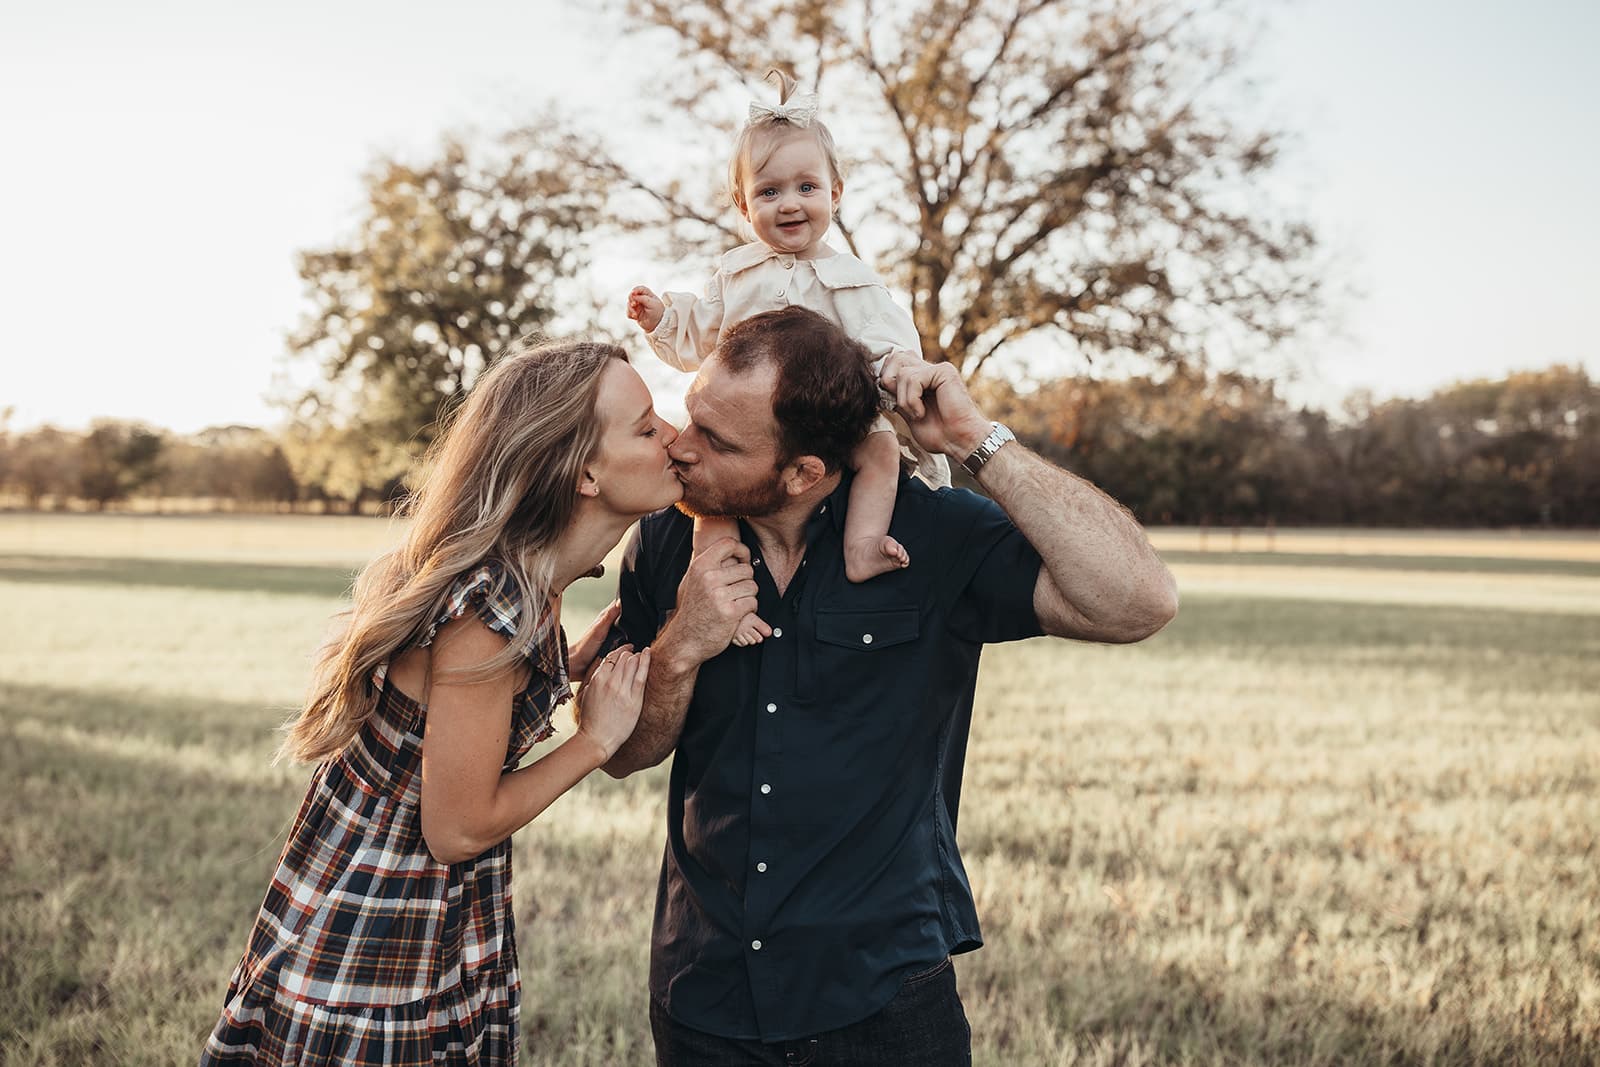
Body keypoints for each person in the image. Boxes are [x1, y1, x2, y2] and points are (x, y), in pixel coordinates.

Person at [601, 306, 1179, 1066]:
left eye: (717, 440)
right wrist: (680, 647)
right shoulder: (667, 537)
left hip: (884, 1002)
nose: (679, 446)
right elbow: (619, 752)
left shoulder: (931, 533)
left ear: (804, 470)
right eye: (690, 417)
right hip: (705, 996)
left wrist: (977, 439)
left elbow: (1140, 600)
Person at [199, 341, 682, 1066]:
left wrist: (560, 667)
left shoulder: (530, 580)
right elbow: (457, 828)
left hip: (422, 914)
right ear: (583, 471)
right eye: (646, 429)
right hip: (378, 936)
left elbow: (457, 719)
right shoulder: (489, 608)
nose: (673, 436)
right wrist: (591, 742)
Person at [626, 70, 946, 647]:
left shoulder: (852, 281)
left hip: (833, 419)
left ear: (835, 194)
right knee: (712, 497)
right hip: (749, 430)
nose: (790, 204)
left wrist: (901, 369)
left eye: (807, 187)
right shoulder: (736, 272)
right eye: (769, 192)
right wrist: (664, 317)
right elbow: (704, 332)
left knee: (879, 452)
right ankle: (721, 591)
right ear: (744, 205)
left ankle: (862, 545)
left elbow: (889, 341)